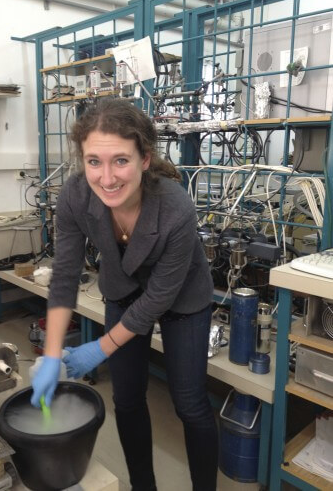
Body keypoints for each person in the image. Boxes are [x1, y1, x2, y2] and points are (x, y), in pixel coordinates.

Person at [30, 98, 218, 491]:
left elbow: (161, 296)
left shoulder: (175, 207)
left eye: (121, 160)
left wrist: (100, 347)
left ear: (145, 159)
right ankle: (142, 486)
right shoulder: (75, 196)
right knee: (128, 400)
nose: (107, 177)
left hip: (182, 298)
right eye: (94, 161)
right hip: (123, 290)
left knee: (190, 403)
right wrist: (51, 353)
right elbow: (64, 276)